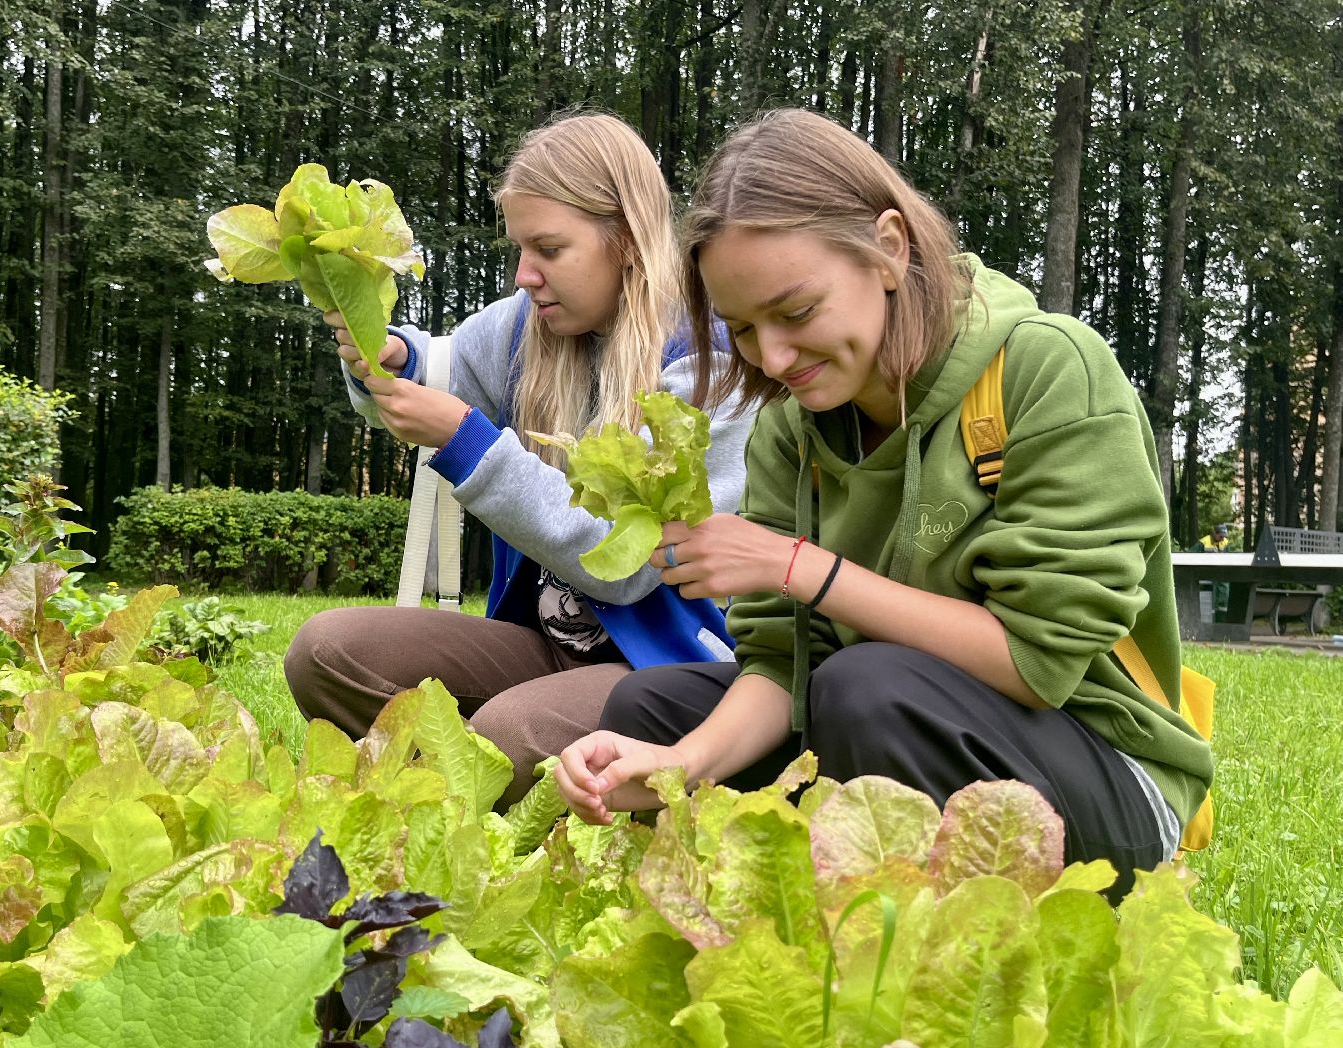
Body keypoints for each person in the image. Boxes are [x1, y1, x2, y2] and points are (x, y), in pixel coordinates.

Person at [556, 109, 1213, 897]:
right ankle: (773, 919)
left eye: (797, 312)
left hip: (1107, 775)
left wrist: (796, 565)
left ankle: (934, 936)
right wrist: (679, 765)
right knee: (654, 706)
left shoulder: (1049, 371)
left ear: (889, 248)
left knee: (865, 688)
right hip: (888, 719)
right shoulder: (791, 430)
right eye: (744, 328)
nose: (774, 357)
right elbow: (784, 664)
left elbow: (1036, 664)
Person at [284, 113, 749, 805]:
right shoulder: (522, 328)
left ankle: (482, 795)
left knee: (504, 737)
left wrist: (468, 443)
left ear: (625, 238)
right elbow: (435, 367)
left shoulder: (708, 359)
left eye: (549, 249)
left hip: (669, 665)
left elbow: (626, 568)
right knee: (325, 652)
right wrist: (388, 355)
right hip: (541, 643)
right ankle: (456, 796)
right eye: (520, 248)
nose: (525, 274)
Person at [1189, 523, 1234, 620]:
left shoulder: (1225, 543)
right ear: (1215, 533)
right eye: (1221, 536)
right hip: (1208, 577)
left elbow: (1230, 558)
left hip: (1222, 576)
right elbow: (1190, 555)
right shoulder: (1204, 542)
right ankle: (1210, 621)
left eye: (1224, 536)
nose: (1223, 538)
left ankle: (1221, 622)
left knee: (1223, 599)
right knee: (1210, 601)